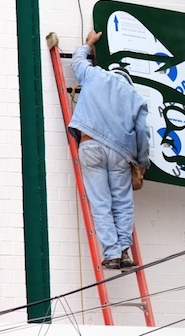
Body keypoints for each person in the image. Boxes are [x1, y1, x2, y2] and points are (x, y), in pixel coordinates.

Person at [68, 30, 151, 271]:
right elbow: (142, 133)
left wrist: (88, 44)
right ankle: (124, 251)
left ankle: (111, 253)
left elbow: (77, 62)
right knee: (122, 203)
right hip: (119, 152)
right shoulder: (135, 97)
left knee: (100, 201)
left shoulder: (94, 76)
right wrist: (141, 162)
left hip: (90, 144)